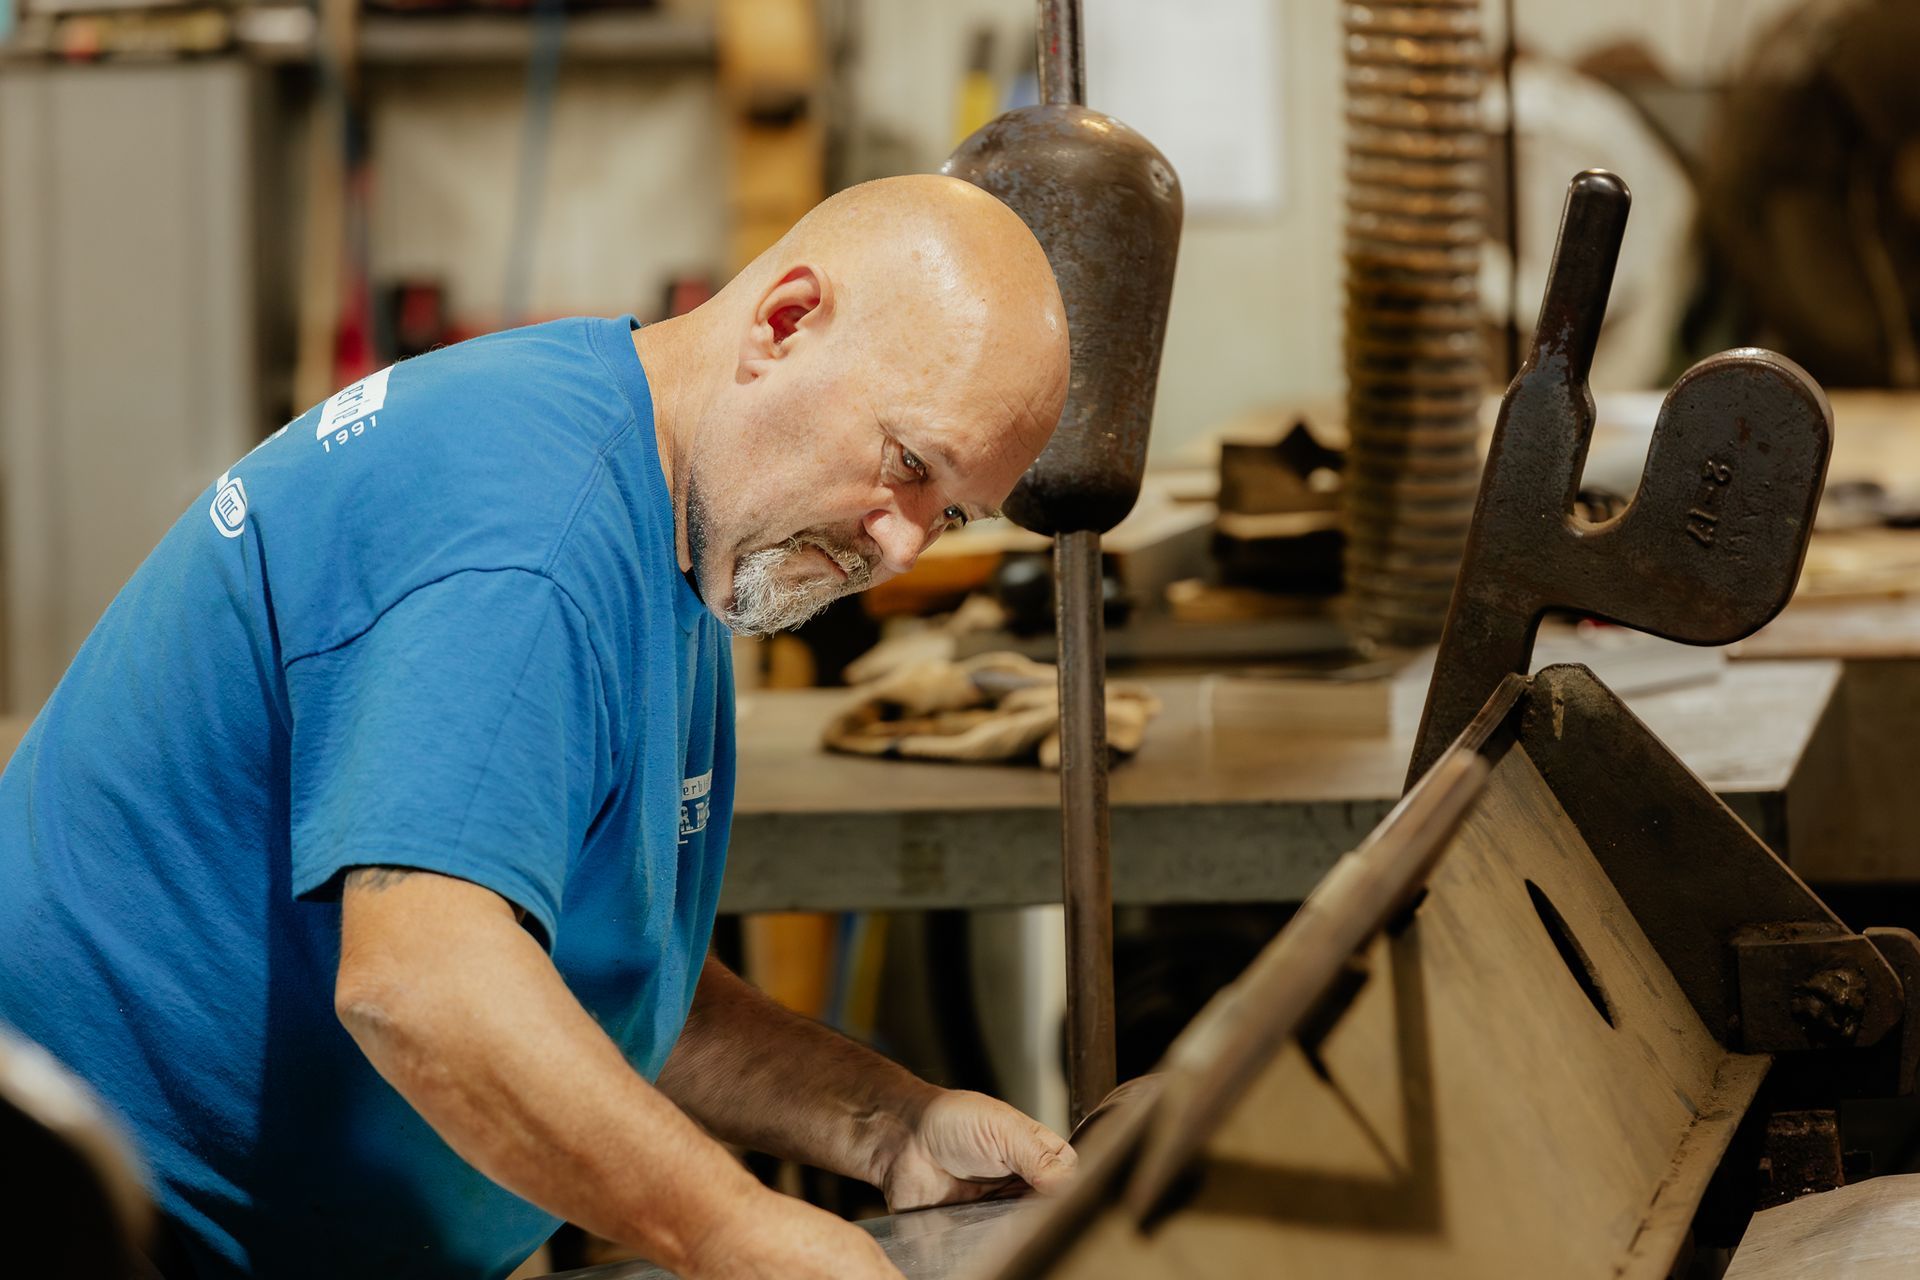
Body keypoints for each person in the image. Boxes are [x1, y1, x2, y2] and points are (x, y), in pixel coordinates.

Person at [0, 174, 1074, 1279]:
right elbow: (424, 982)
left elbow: (592, 984)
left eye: (948, 512)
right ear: (785, 322)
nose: (902, 548)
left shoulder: (685, 516)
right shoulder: (529, 537)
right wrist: (735, 1228)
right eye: (907, 464)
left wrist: (889, 1123)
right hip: (103, 1225)